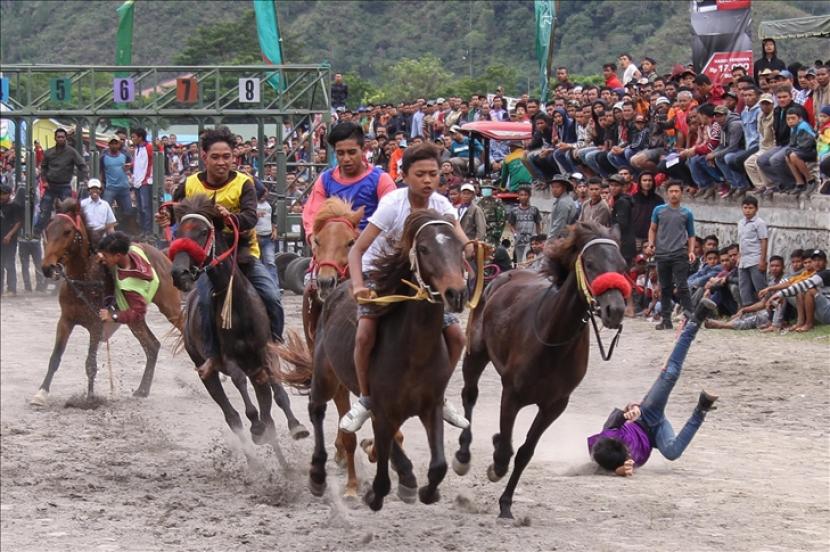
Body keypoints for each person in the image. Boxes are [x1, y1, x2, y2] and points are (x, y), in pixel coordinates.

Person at [340, 144, 471, 433]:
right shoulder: (392, 205)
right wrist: (359, 285)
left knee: (458, 338)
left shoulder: (442, 206)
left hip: (422, 281)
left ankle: (438, 396)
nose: (427, 180)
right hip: (383, 276)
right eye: (420, 174)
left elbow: (463, 242)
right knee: (364, 334)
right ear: (405, 175)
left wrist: (473, 249)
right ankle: (364, 400)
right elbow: (357, 250)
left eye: (433, 174)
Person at [158, 127, 284, 380]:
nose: (221, 162)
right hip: (207, 261)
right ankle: (212, 356)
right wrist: (166, 216)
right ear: (204, 157)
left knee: (271, 295)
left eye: (226, 156)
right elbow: (177, 211)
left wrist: (230, 217)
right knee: (203, 302)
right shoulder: (190, 184)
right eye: (215, 157)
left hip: (243, 254)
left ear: (234, 157)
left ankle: (273, 349)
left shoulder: (244, 184)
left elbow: (249, 218)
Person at [588, 299, 719, 477]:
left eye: (626, 451)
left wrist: (632, 409)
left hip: (646, 415)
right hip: (655, 433)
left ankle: (694, 322)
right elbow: (604, 469)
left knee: (670, 374)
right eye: (627, 456)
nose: (630, 455)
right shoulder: (612, 462)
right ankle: (701, 409)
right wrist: (618, 471)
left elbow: (621, 413)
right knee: (672, 452)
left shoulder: (607, 436)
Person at [302, 122, 397, 241]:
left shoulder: (381, 179)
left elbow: (392, 218)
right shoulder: (325, 179)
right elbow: (312, 215)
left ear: (362, 150)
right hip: (333, 249)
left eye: (352, 152)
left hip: (373, 250)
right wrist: (313, 239)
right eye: (340, 153)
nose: (346, 159)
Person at [648, 180, 696, 330]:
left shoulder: (686, 213)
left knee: (682, 286)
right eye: (671, 191)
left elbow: (691, 234)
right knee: (665, 287)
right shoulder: (658, 210)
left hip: (679, 253)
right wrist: (651, 244)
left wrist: (691, 251)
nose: (674, 194)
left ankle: (690, 316)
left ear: (681, 194)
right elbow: (652, 229)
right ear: (667, 193)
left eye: (677, 191)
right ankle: (666, 319)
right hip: (662, 253)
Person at [96, 231, 159, 325]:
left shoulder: (129, 286)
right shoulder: (134, 249)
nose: (102, 258)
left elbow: (138, 313)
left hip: (130, 305)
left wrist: (113, 316)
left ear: (118, 256)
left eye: (105, 256)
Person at [36, 128, 88, 235]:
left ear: (66, 138)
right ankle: (37, 233)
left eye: (62, 137)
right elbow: (43, 167)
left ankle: (68, 231)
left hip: (64, 186)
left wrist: (85, 178)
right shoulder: (48, 152)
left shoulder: (72, 152)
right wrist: (44, 181)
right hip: (50, 186)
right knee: (44, 210)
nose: (60, 139)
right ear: (55, 138)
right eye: (58, 137)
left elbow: (82, 165)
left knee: (68, 211)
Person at [736, 195, 768, 306]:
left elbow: (763, 241)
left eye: (750, 208)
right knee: (744, 288)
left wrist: (762, 260)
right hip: (743, 260)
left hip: (755, 259)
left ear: (756, 209)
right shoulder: (741, 223)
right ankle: (748, 313)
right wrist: (739, 256)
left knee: (760, 288)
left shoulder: (759, 223)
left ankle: (766, 311)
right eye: (745, 208)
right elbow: (741, 240)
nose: (747, 211)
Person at [783, 107, 818, 196]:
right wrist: (790, 149)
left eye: (793, 118)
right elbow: (792, 143)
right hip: (802, 150)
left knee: (794, 155)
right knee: (787, 156)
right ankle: (800, 183)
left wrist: (792, 149)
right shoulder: (793, 127)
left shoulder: (803, 126)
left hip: (813, 150)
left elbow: (806, 144)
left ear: (800, 118)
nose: (790, 121)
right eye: (788, 119)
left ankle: (810, 180)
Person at [100, 135, 133, 224]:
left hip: (124, 187)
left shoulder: (125, 155)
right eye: (112, 143)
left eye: (116, 143)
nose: (114, 145)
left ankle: (123, 225)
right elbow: (100, 171)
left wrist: (129, 167)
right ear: (109, 145)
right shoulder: (103, 157)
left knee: (128, 210)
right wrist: (101, 183)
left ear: (119, 144)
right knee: (104, 208)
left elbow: (132, 166)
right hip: (110, 187)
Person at [506, 185, 542, 264]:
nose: (523, 197)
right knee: (520, 262)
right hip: (519, 241)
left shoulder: (534, 210)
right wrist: (515, 233)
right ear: (518, 196)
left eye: (525, 195)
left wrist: (539, 237)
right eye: (521, 195)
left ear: (529, 196)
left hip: (532, 241)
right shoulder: (514, 211)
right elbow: (510, 224)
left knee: (532, 261)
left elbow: (538, 224)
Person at [130, 128, 154, 236]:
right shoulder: (137, 149)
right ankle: (143, 229)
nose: (132, 139)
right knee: (140, 208)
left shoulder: (149, 147)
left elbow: (154, 160)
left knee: (146, 207)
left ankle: (148, 230)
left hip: (145, 182)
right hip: (137, 182)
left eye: (134, 137)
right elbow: (138, 164)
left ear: (140, 137)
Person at [0, 183, 23, 296]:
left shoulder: (15, 206)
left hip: (10, 240)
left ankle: (12, 289)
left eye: (4, 194)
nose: (1, 196)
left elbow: (18, 222)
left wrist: (9, 235)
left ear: (9, 194)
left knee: (9, 264)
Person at [256, 186, 279, 285]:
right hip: (255, 237)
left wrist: (274, 230)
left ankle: (274, 286)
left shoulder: (270, 204)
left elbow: (273, 218)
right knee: (255, 263)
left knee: (270, 262)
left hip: (268, 237)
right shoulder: (251, 204)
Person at [547, 174, 579, 239]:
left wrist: (550, 240)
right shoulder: (562, 200)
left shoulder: (563, 202)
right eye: (552, 187)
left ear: (564, 188)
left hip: (562, 239)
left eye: (557, 187)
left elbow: (559, 225)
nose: (554, 190)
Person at [478, 181, 506, 247]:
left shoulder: (497, 201)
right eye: (484, 189)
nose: (486, 190)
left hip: (493, 231)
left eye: (488, 189)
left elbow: (502, 218)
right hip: (482, 231)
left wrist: (497, 231)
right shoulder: (479, 203)